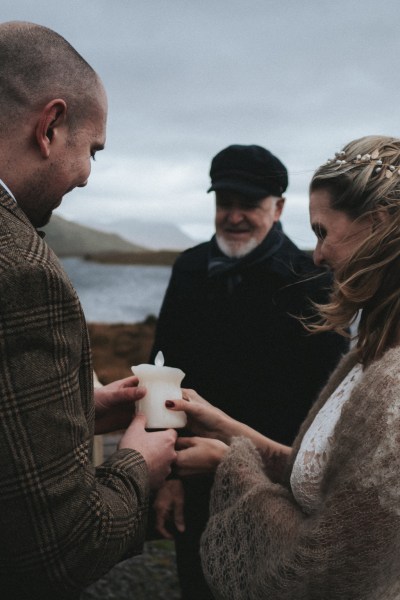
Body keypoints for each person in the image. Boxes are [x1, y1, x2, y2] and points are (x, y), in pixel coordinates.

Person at [166, 135, 400, 599]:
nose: (318, 254)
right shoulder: (369, 351)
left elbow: (332, 563)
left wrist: (229, 460)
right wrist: (220, 430)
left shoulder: (388, 379)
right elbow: (318, 465)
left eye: (322, 232)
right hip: (202, 480)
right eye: (224, 201)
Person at [0, 21, 177, 600]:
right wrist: (140, 462)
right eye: (92, 150)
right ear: (49, 126)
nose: (87, 176)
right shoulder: (23, 271)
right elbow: (60, 548)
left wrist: (72, 405)